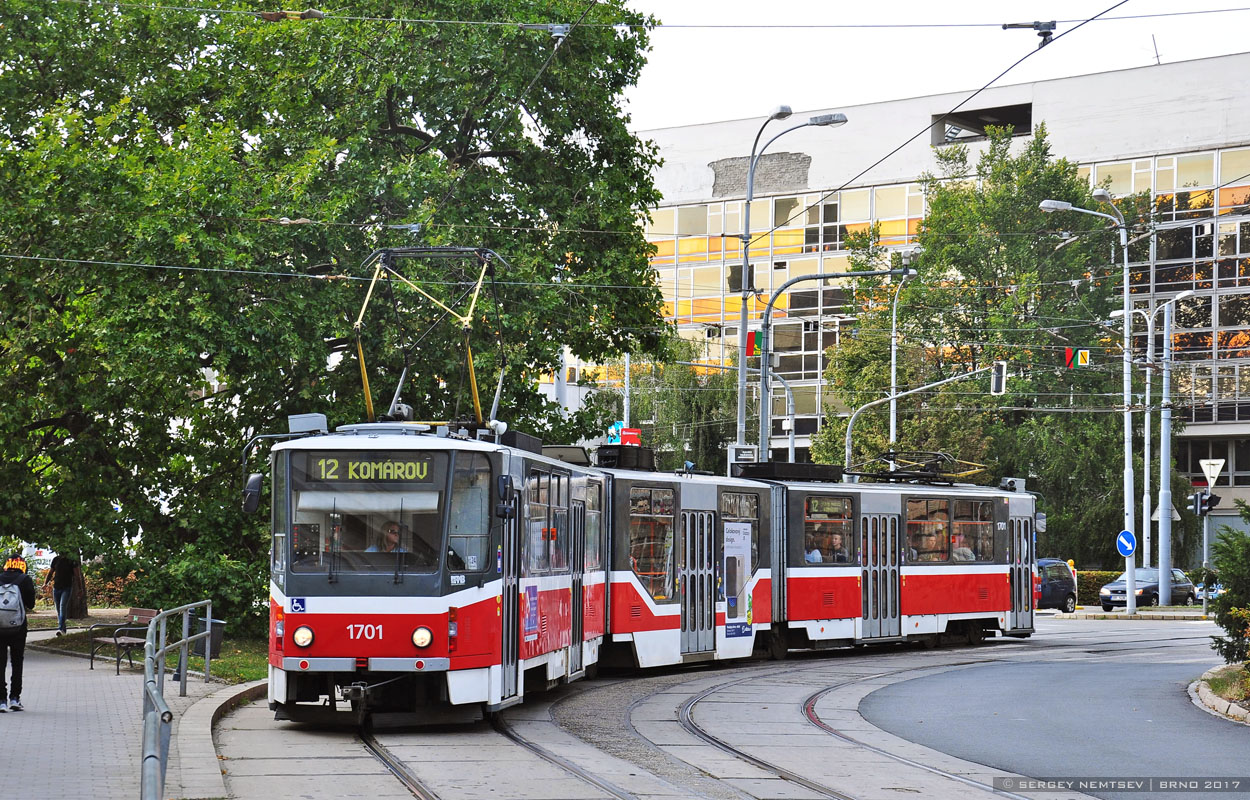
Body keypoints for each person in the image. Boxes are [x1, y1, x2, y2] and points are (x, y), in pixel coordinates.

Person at [0, 554, 37, 712]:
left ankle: (1, 699)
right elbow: (31, 603)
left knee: (0, 663)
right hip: (19, 627)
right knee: (17, 661)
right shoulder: (25, 579)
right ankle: (15, 698)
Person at [45, 552, 77, 636]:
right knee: (59, 610)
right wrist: (45, 583)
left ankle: (60, 628)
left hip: (67, 588)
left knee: (62, 607)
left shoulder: (71, 561)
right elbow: (50, 572)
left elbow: (77, 575)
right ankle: (63, 630)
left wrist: (80, 588)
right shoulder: (56, 559)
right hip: (56, 588)